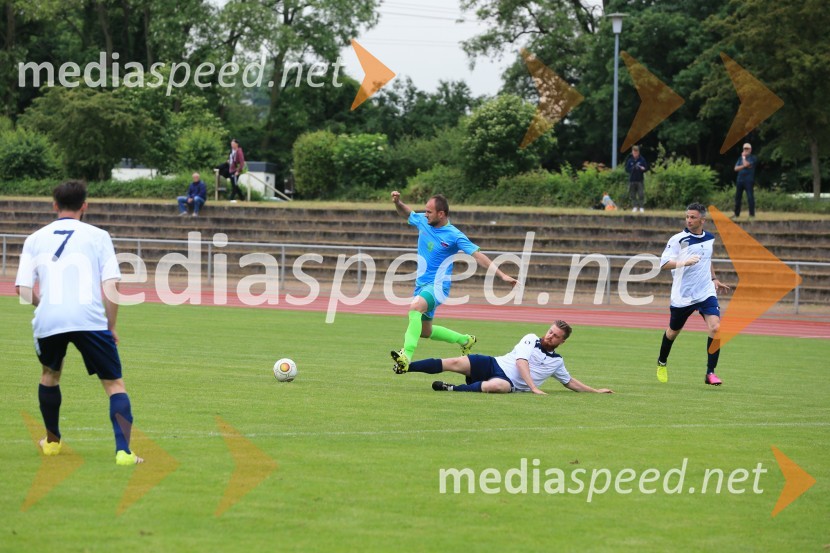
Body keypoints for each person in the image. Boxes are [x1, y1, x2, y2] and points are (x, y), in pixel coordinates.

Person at [15, 180, 143, 465]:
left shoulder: (34, 238)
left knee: (50, 376)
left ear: (54, 205)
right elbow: (112, 283)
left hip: (50, 319)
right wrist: (110, 326)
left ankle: (51, 442)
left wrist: (45, 304)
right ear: (85, 205)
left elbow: (22, 288)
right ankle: (123, 452)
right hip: (90, 318)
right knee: (114, 385)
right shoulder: (98, 236)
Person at [390, 191, 518, 374]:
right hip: (422, 285)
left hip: (438, 287)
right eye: (425, 211)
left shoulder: (454, 235)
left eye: (429, 212)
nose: (425, 214)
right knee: (425, 331)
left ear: (441, 214)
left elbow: (478, 255)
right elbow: (406, 213)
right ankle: (465, 340)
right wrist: (397, 202)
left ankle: (406, 355)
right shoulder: (423, 221)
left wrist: (502, 275)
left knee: (415, 307)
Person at [400, 320, 614, 394]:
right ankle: (406, 366)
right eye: (550, 331)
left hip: (507, 382)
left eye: (555, 336)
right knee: (454, 362)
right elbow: (521, 362)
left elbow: (569, 382)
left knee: (498, 388)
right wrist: (535, 388)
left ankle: (451, 388)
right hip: (495, 363)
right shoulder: (531, 338)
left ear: (562, 341)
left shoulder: (557, 362)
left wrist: (594, 391)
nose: (550, 336)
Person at [656, 203, 732, 386]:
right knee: (673, 332)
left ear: (702, 220)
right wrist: (684, 262)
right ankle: (662, 361)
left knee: (716, 328)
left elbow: (707, 259)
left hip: (705, 292)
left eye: (693, 217)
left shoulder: (710, 238)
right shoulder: (678, 239)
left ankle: (710, 373)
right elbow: (663, 264)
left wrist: (714, 279)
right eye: (687, 217)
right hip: (683, 295)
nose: (689, 220)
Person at [733, 143, 757, 219]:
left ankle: (751, 215)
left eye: (747, 149)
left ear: (750, 149)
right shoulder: (740, 158)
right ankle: (736, 214)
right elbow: (736, 168)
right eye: (744, 149)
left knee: (750, 197)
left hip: (748, 180)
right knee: (738, 198)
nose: (745, 150)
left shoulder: (752, 158)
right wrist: (743, 165)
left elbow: (747, 164)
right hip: (740, 180)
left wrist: (743, 158)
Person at [625, 145, 648, 212]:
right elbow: (626, 169)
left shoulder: (642, 159)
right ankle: (635, 206)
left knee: (641, 194)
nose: (635, 154)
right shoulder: (630, 160)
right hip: (632, 179)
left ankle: (641, 207)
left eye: (636, 152)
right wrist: (632, 169)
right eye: (634, 152)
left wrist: (643, 169)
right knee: (632, 194)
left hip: (639, 179)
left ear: (638, 152)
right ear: (632, 152)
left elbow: (646, 168)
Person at [228, 138, 246, 202]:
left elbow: (242, 162)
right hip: (231, 170)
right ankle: (242, 197)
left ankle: (231, 198)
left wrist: (238, 171)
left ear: (236, 144)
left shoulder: (239, 152)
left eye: (233, 144)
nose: (232, 145)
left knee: (234, 185)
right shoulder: (231, 151)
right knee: (234, 185)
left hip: (236, 170)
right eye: (231, 144)